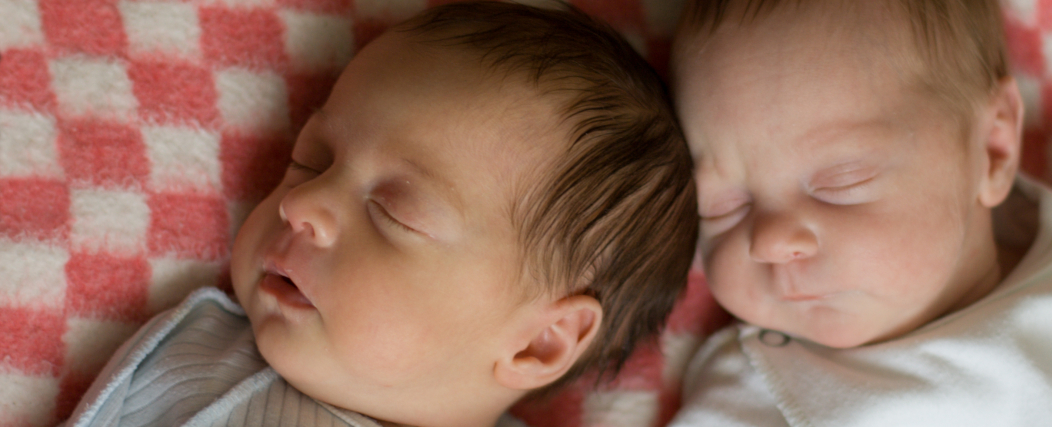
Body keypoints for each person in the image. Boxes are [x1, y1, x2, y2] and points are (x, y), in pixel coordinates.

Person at [62, 2, 697, 426]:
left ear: (539, 340)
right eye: (311, 160)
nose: (300, 203)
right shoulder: (201, 352)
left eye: (394, 213)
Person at [666, 0, 1052, 425]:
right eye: (722, 205)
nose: (770, 240)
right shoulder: (755, 384)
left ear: (991, 149)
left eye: (839, 182)